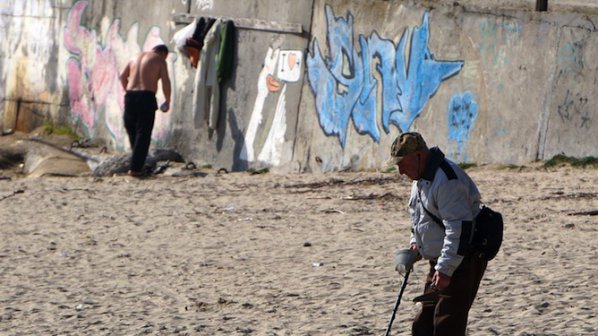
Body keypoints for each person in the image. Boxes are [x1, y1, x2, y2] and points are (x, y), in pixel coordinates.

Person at [390, 132, 487, 336]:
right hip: (441, 260)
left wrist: (445, 269)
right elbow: (419, 218)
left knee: (446, 325)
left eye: (402, 164)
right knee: (423, 326)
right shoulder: (420, 180)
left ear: (418, 155)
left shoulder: (447, 181)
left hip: (462, 260)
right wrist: (415, 245)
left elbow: (459, 229)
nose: (400, 171)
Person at [119, 44, 171, 176]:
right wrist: (167, 100)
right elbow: (165, 81)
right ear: (163, 53)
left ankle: (136, 163)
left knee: (132, 131)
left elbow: (122, 76)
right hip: (146, 96)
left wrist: (128, 91)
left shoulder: (134, 57)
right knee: (143, 133)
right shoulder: (160, 60)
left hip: (130, 95)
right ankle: (136, 169)